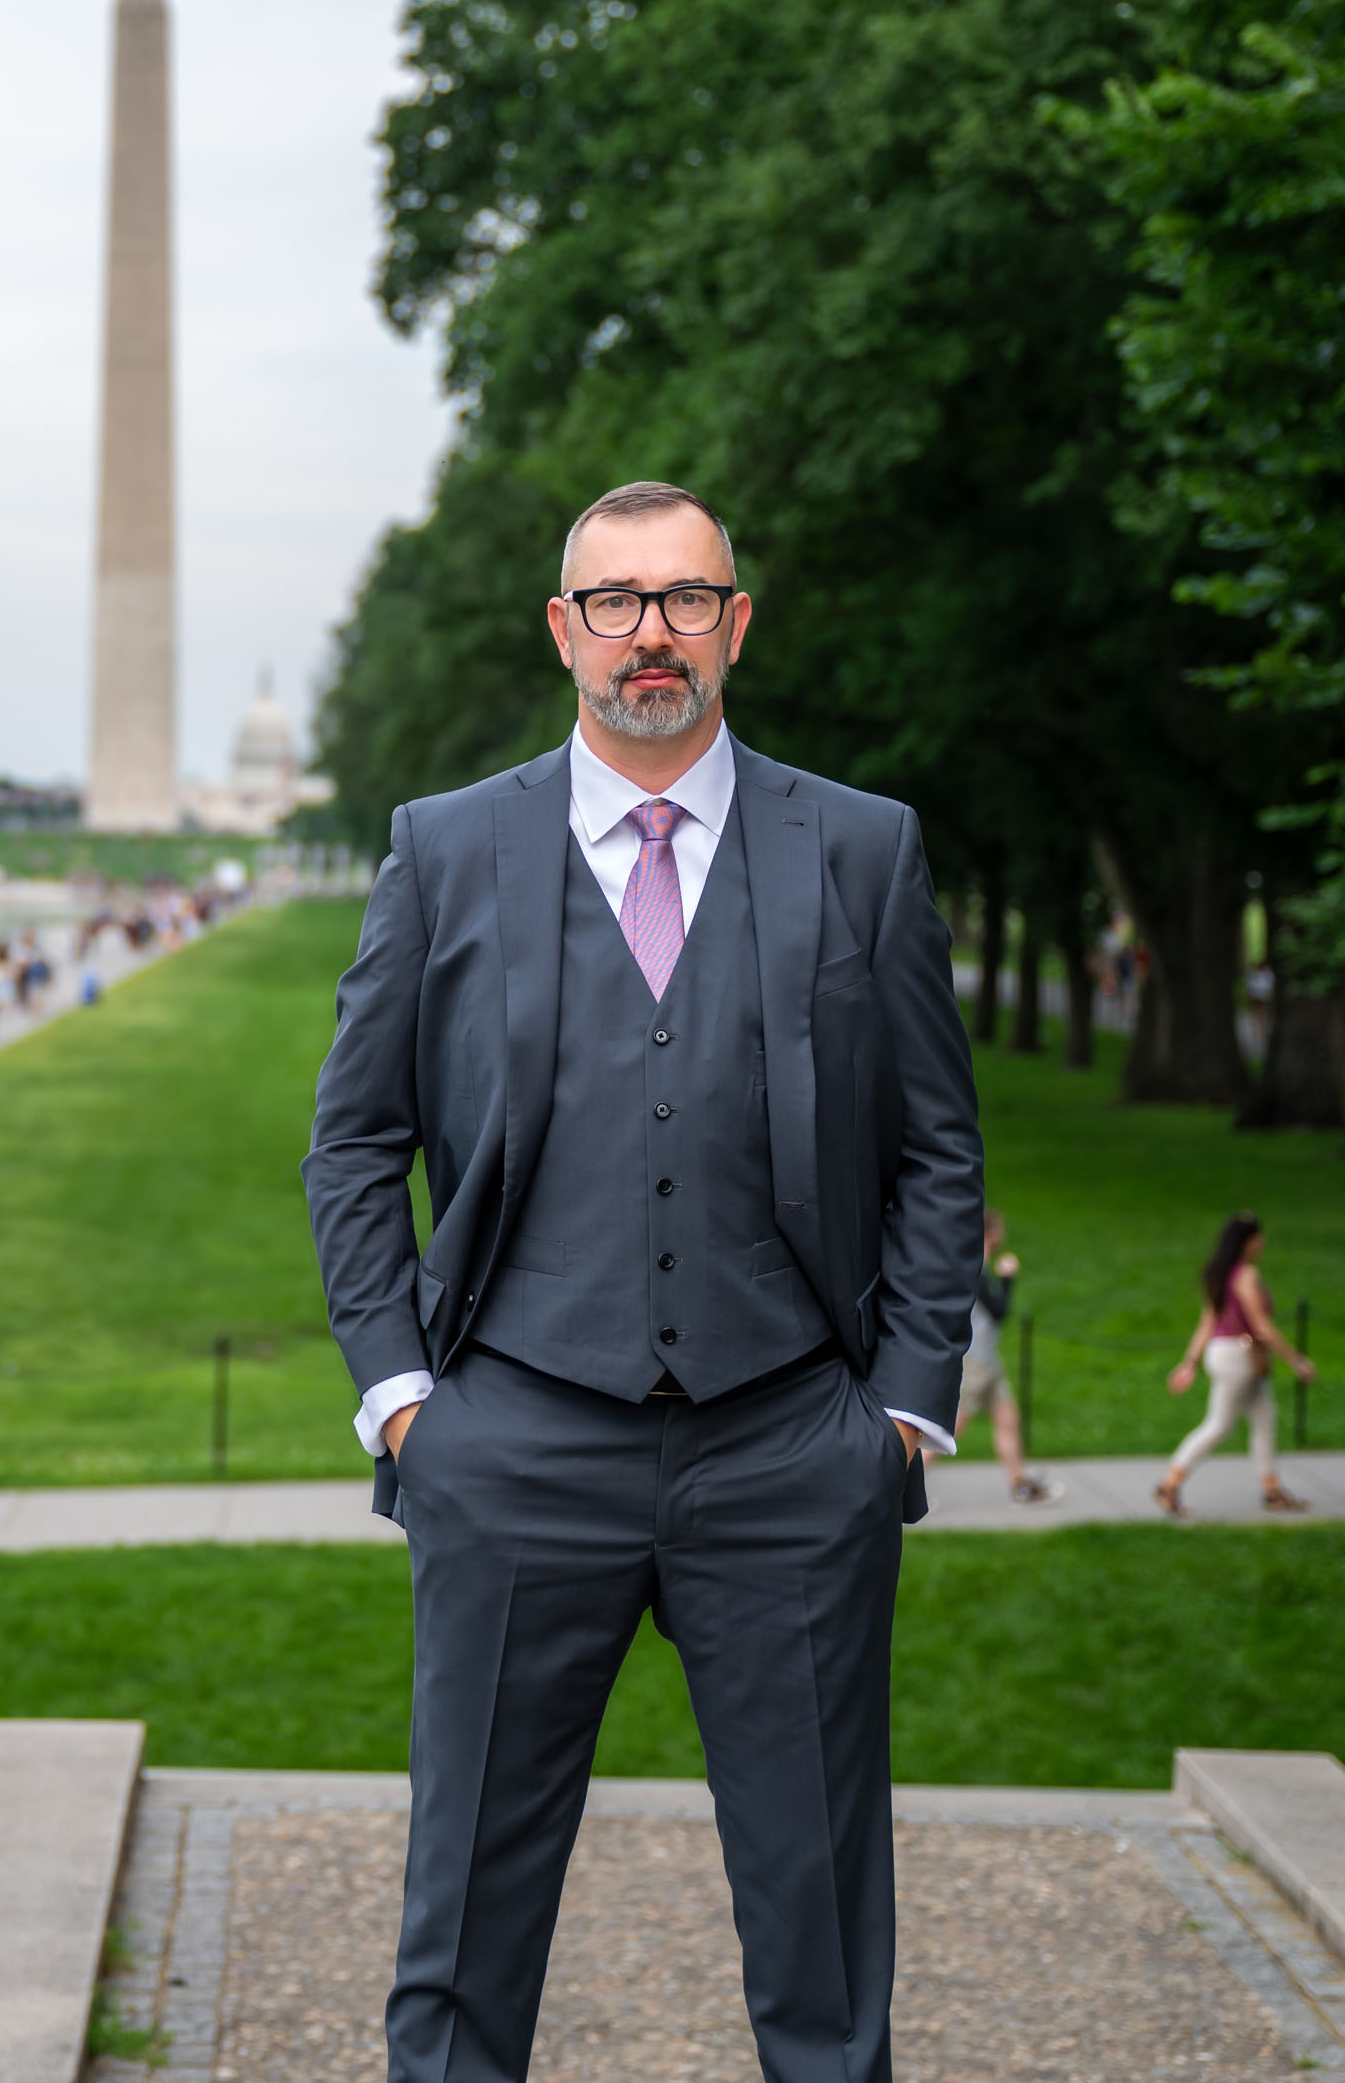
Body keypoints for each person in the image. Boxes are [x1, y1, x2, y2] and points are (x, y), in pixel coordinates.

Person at [304, 480, 979, 2083]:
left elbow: (939, 1147)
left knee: (823, 1943)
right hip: (514, 1440)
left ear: (736, 624)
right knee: (461, 1929)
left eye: (687, 598)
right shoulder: (447, 848)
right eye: (617, 601)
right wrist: (405, 1403)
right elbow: (352, 1143)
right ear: (565, 632)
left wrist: (900, 1413)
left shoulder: (864, 851)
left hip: (791, 1448)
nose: (651, 632)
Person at [1155, 1213, 1315, 1516]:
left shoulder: (1221, 1274)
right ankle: (1170, 1483)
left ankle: (1271, 1489)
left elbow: (1207, 1322)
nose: (1262, 1243)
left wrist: (1189, 1362)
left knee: (1265, 1418)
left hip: (1223, 1352)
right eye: (1259, 1237)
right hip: (1238, 1357)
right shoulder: (1246, 1276)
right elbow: (1263, 1326)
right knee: (1218, 1425)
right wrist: (1297, 1361)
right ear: (1249, 1242)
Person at [926, 1210, 1054, 1503]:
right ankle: (901, 1490)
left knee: (1007, 1418)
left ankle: (1020, 1485)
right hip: (973, 1361)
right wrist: (1008, 1279)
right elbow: (999, 1311)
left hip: (987, 1359)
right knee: (951, 1427)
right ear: (991, 1233)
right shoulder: (973, 1266)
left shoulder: (973, 1263)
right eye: (1000, 1229)